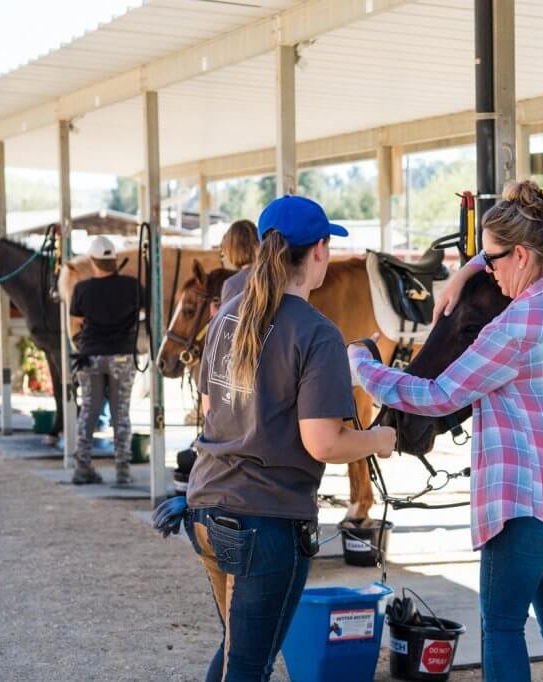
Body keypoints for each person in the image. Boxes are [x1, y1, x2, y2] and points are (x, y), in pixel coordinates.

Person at [348, 180, 543, 682]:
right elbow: (512, 255)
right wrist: (465, 272)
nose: (487, 271)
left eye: (491, 261)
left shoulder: (510, 333)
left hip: (532, 503)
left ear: (520, 255)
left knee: (502, 625)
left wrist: (364, 366)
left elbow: (437, 395)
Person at [155, 195, 396, 681]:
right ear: (320, 251)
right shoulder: (318, 333)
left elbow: (211, 410)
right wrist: (379, 439)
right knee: (248, 665)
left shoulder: (226, 317)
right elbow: (323, 442)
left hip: (206, 508)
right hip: (265, 522)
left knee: (237, 654)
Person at [69, 236, 142, 486]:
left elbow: (75, 323)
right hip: (123, 355)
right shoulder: (132, 286)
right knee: (121, 413)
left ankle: (82, 467)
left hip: (90, 356)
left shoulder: (81, 289)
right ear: (115, 260)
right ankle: (123, 470)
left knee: (89, 411)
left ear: (93, 261)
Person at [219, 218, 258, 305]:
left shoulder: (232, 285)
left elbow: (230, 314)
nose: (223, 255)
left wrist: (217, 313)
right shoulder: (271, 275)